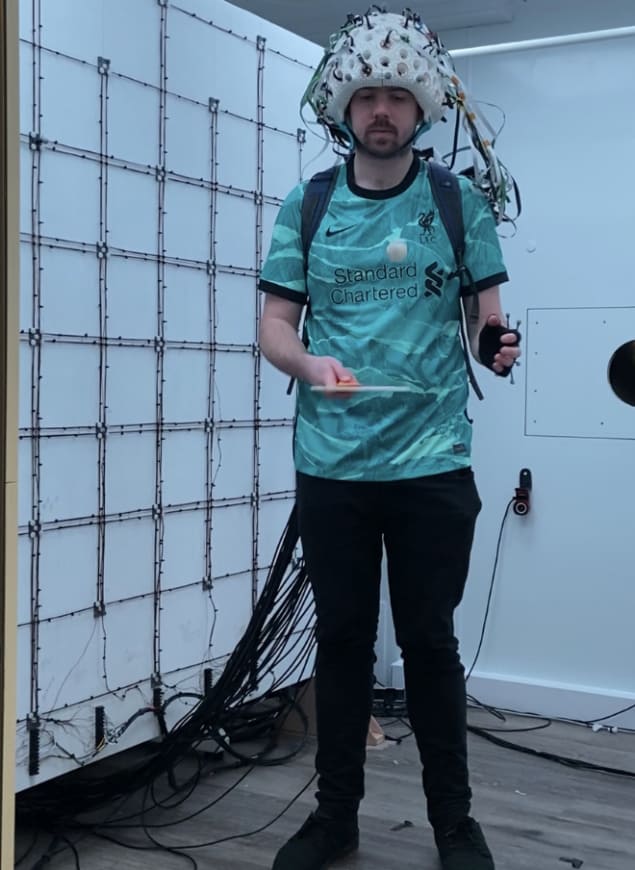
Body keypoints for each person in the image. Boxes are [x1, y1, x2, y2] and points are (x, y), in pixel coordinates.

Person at [258, 7, 521, 870]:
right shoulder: (311, 203)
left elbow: (486, 317)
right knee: (339, 641)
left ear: (419, 110)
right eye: (365, 95)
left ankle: (454, 825)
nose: (380, 109)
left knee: (429, 643)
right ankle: (335, 818)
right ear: (343, 107)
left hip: (432, 462)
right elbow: (273, 327)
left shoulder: (456, 201)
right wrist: (308, 366)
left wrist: (494, 343)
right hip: (332, 464)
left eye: (395, 97)